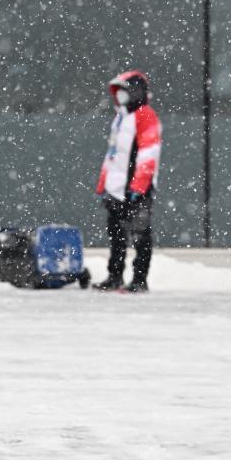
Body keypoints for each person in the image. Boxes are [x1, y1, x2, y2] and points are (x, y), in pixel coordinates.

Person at [95, 70, 162, 293]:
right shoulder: (121, 118)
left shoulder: (146, 116)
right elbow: (113, 154)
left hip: (136, 190)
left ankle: (139, 279)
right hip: (115, 189)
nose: (120, 97)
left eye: (125, 91)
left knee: (140, 235)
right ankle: (114, 276)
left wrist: (138, 187)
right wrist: (104, 183)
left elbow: (148, 154)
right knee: (116, 235)